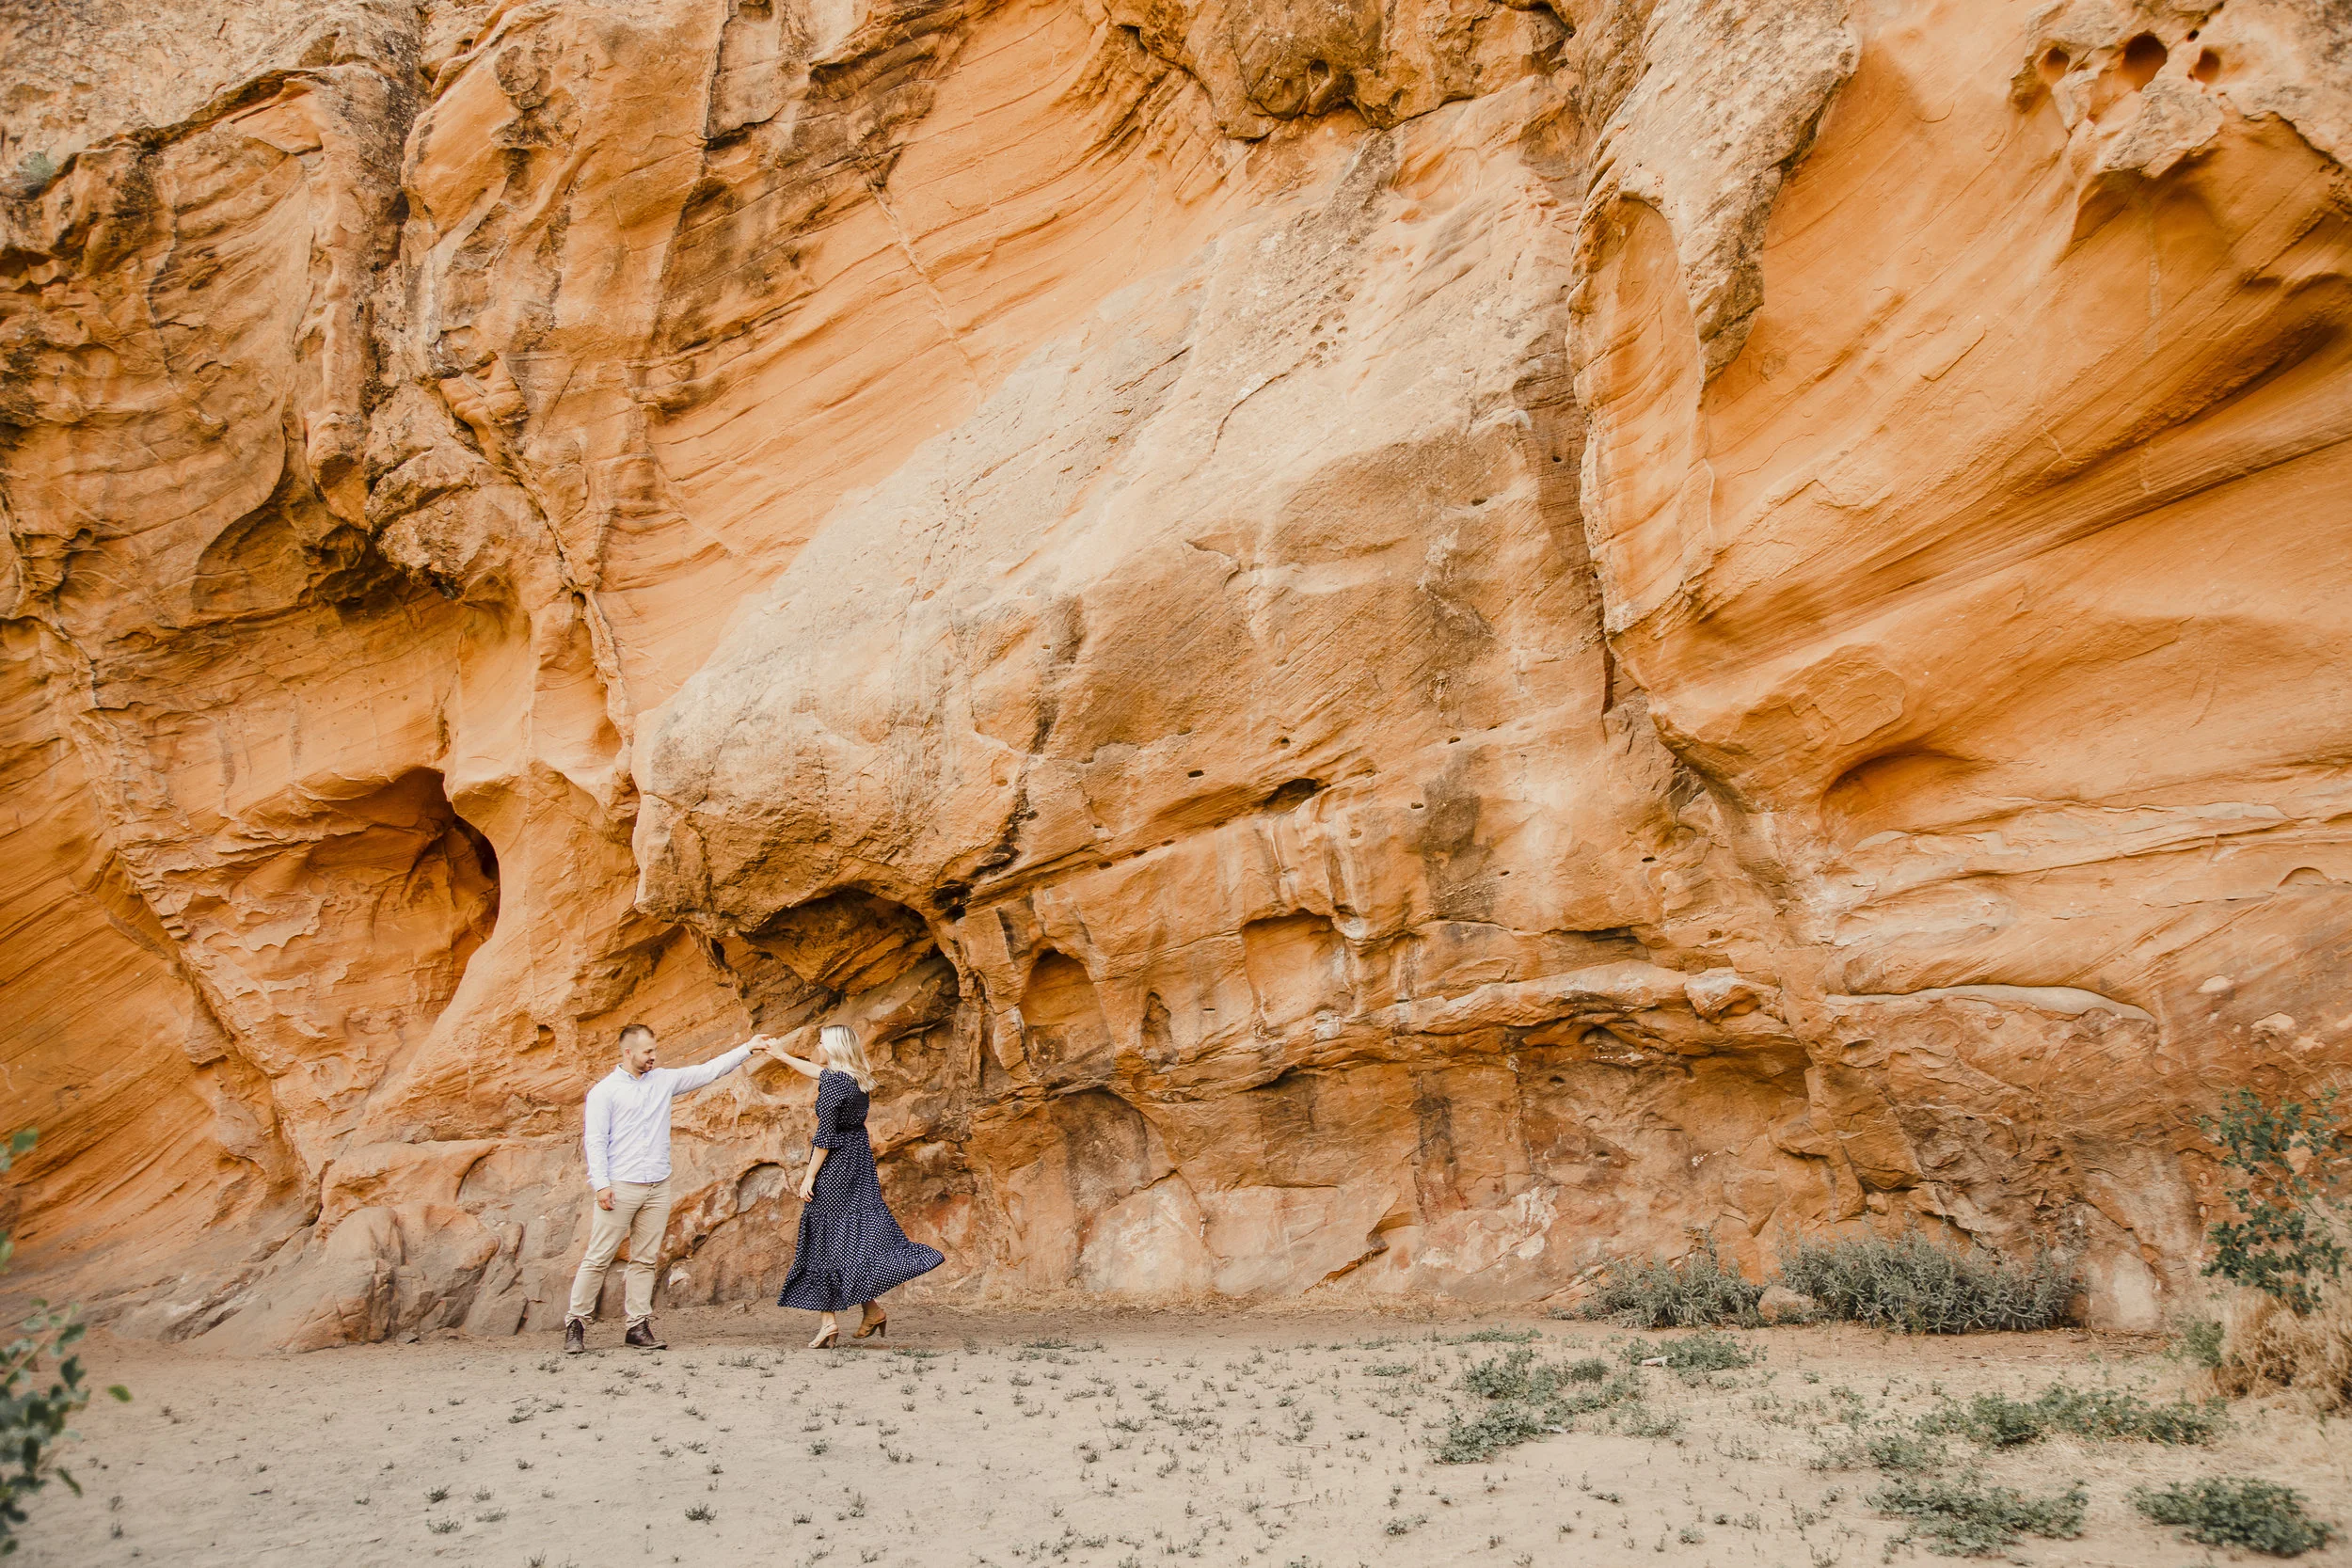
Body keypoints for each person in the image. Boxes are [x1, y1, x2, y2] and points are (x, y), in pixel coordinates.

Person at [564, 1022, 766, 1354]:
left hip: (657, 1186)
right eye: (647, 1052)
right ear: (628, 1052)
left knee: (644, 1259)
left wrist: (748, 1047)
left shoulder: (663, 1081)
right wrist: (600, 1185)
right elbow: (596, 1141)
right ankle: (576, 1324)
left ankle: (637, 1326)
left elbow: (708, 1071)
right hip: (620, 1185)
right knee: (598, 1257)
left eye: (654, 1051)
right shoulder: (604, 1092)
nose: (653, 1057)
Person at [768, 1024, 945, 1348]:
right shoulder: (855, 1078)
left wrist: (809, 1176)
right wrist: (780, 1055)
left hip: (835, 1165)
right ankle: (872, 1310)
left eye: (821, 1042)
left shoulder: (834, 1082)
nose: (817, 1046)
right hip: (858, 1161)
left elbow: (824, 1137)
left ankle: (828, 1323)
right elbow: (816, 1072)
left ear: (832, 1048)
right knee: (848, 1235)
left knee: (824, 1236)